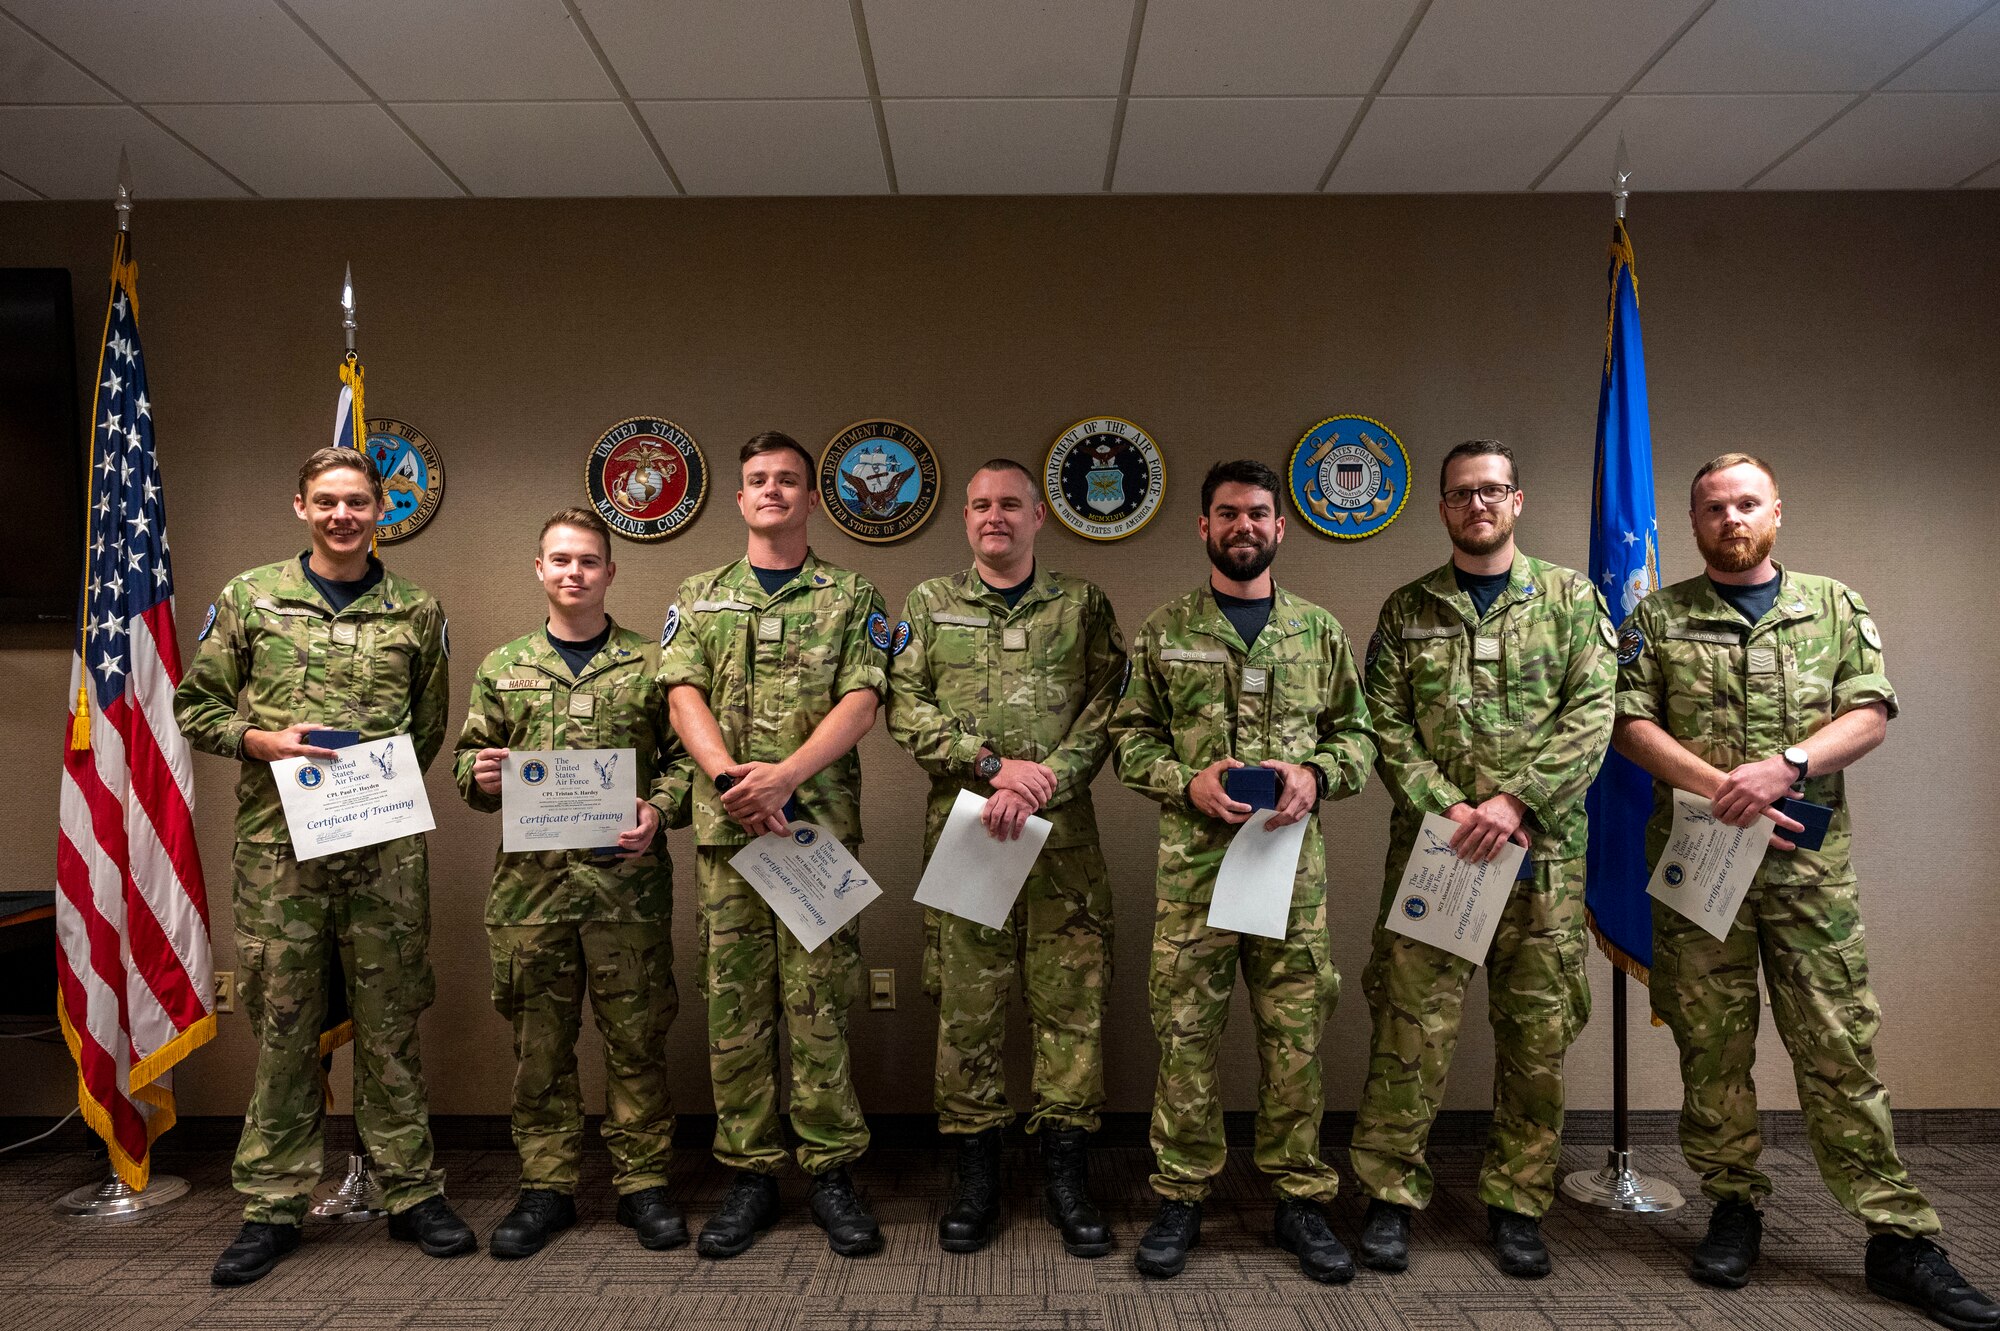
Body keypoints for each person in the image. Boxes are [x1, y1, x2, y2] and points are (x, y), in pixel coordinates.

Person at [1613, 452, 1996, 1330]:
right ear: (1695, 519)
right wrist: (1722, 785)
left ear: (1777, 510)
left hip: (1806, 874)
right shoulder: (1657, 616)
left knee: (1838, 1047)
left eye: (1747, 502)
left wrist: (1782, 766)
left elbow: (1869, 710)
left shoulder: (1832, 603)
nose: (1731, 518)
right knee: (1712, 1048)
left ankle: (1897, 1236)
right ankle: (1734, 1205)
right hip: (1702, 866)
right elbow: (1629, 722)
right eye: (1713, 507)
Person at [176, 447, 472, 1285]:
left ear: (381, 510)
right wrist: (261, 741)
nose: (344, 515)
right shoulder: (250, 596)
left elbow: (427, 726)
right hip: (281, 856)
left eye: (359, 502)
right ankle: (272, 1204)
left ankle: (412, 1192)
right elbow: (194, 705)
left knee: (391, 1024)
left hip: (383, 852)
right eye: (328, 501)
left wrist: (372, 795)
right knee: (284, 1028)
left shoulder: (418, 608)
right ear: (300, 505)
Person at [1347, 440, 1613, 1279]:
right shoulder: (1405, 609)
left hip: (1545, 863)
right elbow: (1381, 725)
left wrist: (1514, 801)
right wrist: (1452, 806)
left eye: (1492, 490)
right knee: (1408, 1031)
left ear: (1518, 500)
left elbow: (1594, 713)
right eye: (1461, 494)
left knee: (1535, 1038)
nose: (1478, 505)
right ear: (1443, 508)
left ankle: (1517, 1202)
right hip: (1438, 854)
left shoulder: (1573, 600)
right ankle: (1390, 1197)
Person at [1110, 458, 1375, 1283]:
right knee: (1186, 1036)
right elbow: (1128, 737)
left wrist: (1317, 774)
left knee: (1294, 1038)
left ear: (1280, 526)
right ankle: (1182, 1192)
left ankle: (1298, 1196)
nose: (1244, 527)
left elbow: (1359, 736)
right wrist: (1182, 779)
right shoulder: (1164, 629)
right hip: (1196, 874)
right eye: (1228, 513)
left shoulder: (1319, 631)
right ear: (1204, 527)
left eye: (1259, 513)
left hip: (1290, 876)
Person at [886, 458, 1127, 1257]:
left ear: (1038, 517)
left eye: (1012, 504)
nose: (997, 516)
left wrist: (1044, 779)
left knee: (1071, 1008)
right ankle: (976, 1172)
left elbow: (1109, 706)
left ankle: (1065, 1172)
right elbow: (904, 705)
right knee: (967, 1008)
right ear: (966, 518)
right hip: (968, 828)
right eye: (983, 505)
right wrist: (990, 766)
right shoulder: (929, 603)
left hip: (1063, 841)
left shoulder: (1084, 605)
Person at [660, 431, 890, 1259]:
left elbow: (864, 698)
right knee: (735, 1008)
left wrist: (785, 775)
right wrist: (731, 779)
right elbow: (682, 692)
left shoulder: (851, 592)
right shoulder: (699, 593)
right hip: (730, 836)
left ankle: (830, 1170)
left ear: (813, 497)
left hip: (813, 829)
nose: (772, 491)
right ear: (739, 497)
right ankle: (751, 1173)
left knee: (820, 1005)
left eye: (788, 480)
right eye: (757, 479)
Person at [454, 508, 693, 1259]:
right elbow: (468, 770)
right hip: (532, 897)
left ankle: (644, 1183)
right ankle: (546, 1187)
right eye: (559, 559)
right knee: (540, 1051)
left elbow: (690, 764)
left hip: (627, 893)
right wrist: (482, 774)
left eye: (589, 560)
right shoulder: (503, 666)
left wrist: (658, 808)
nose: (573, 572)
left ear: (611, 572)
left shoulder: (655, 665)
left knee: (637, 1042)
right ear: (539, 569)